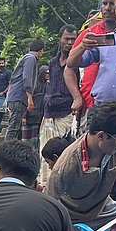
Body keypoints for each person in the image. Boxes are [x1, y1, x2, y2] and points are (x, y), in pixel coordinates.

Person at [44, 100, 116, 231]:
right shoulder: (66, 165)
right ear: (101, 136)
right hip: (73, 218)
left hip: (105, 209)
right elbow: (46, 207)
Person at [39, 25, 84, 184]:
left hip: (67, 114)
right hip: (49, 113)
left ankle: (61, 186)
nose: (70, 42)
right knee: (45, 153)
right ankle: (45, 186)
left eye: (73, 39)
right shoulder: (52, 62)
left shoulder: (81, 62)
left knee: (65, 154)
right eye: (67, 39)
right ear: (60, 40)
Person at [66, 0, 116, 112]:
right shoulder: (89, 33)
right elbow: (69, 67)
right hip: (91, 104)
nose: (107, 8)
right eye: (104, 4)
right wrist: (77, 98)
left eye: (112, 4)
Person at [4, 40, 44, 142]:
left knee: (15, 127)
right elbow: (27, 78)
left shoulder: (26, 57)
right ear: (41, 50)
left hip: (15, 96)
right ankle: (5, 152)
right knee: (13, 128)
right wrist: (30, 98)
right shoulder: (31, 58)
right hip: (19, 96)